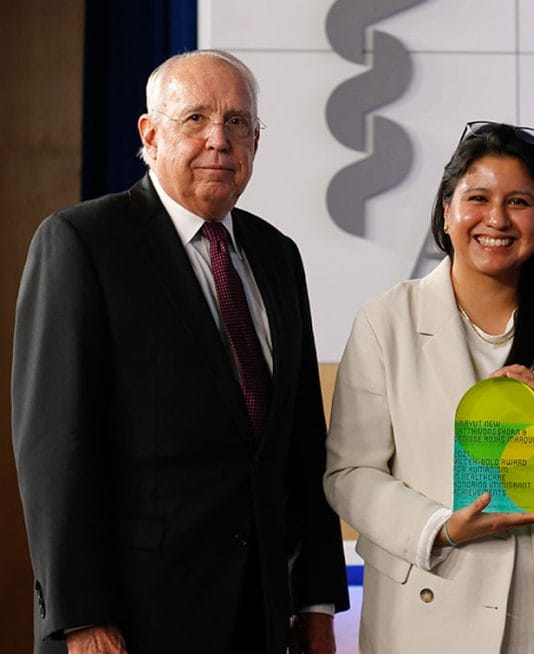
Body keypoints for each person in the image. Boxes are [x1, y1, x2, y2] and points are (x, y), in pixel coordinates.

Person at [11, 50, 348, 654]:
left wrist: (315, 602)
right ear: (151, 133)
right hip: (133, 618)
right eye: (195, 119)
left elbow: (300, 443)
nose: (219, 140)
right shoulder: (82, 242)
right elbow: (55, 448)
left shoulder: (277, 255)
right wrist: (83, 617)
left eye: (238, 123)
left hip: (263, 616)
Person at [324, 121, 534, 653]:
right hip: (436, 597)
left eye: (520, 201)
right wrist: (440, 527)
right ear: (446, 211)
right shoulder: (386, 321)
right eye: (478, 198)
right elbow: (349, 473)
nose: (497, 219)